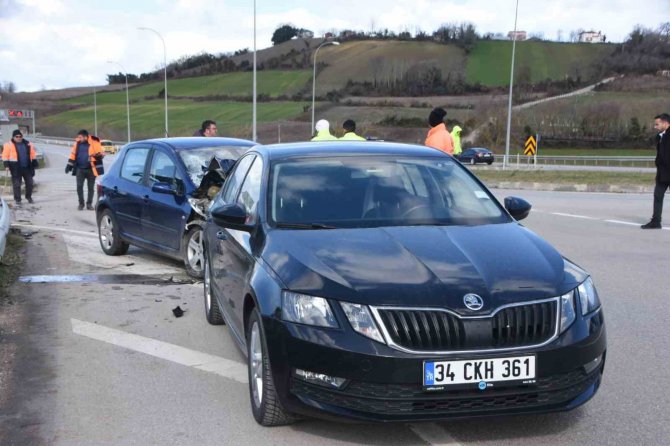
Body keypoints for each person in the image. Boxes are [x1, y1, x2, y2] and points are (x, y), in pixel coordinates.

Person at [641, 113, 670, 229]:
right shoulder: (660, 136)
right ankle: (656, 221)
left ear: (665, 123)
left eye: (657, 124)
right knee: (658, 195)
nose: (655, 127)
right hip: (663, 173)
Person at [65, 130, 104, 211]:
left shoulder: (95, 142)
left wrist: (99, 156)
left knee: (91, 188)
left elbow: (99, 154)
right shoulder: (77, 143)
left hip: (91, 169)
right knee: (79, 187)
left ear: (85, 137)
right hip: (80, 169)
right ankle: (81, 204)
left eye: (80, 137)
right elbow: (73, 154)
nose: (78, 139)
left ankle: (89, 204)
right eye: (78, 137)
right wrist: (69, 165)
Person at [2, 129, 39, 206]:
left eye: (20, 136)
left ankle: (29, 197)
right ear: (13, 137)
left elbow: (32, 153)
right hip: (15, 168)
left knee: (30, 183)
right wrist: (6, 165)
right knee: (17, 184)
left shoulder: (28, 144)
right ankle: (18, 199)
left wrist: (35, 161)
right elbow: (4, 156)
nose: (19, 138)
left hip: (27, 167)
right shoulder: (8, 145)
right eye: (17, 136)